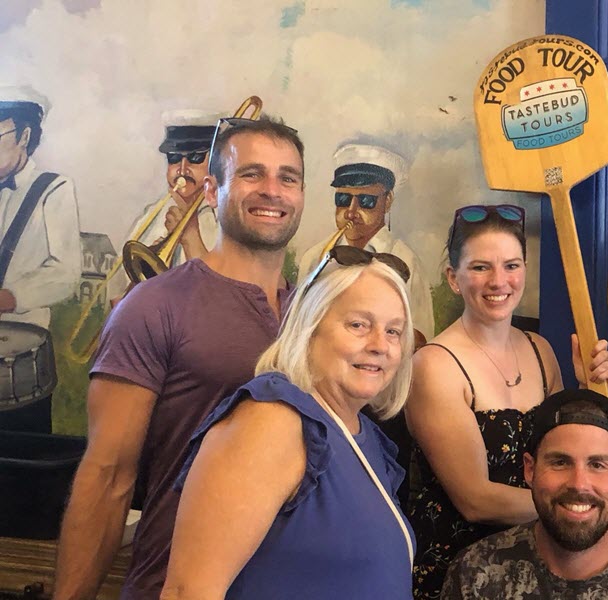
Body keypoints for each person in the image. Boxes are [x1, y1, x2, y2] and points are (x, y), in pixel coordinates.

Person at [54, 117, 306, 600]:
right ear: (212, 191)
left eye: (287, 177)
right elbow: (107, 477)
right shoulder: (153, 305)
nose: (272, 191)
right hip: (175, 584)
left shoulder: (310, 316)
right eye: (251, 174)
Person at [405, 204, 608, 598]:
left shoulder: (540, 349)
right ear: (453, 278)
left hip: (541, 563)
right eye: (480, 267)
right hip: (466, 574)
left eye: (511, 265)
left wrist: (587, 388)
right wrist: (594, 505)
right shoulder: (434, 366)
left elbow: (560, 454)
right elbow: (476, 500)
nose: (499, 281)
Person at [160, 252, 416, 599]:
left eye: (393, 331)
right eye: (358, 325)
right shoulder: (271, 419)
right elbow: (188, 590)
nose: (379, 346)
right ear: (310, 328)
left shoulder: (363, 436)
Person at [442, 388, 608, 600]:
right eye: (560, 462)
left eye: (597, 465)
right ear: (530, 469)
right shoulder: (477, 574)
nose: (579, 484)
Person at [0, 85, 81, 432]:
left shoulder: (54, 188)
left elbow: (66, 273)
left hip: (22, 354)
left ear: (25, 135)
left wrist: (12, 296)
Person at [297, 142, 434, 342]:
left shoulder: (407, 261)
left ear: (387, 201)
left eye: (366, 201)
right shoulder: (315, 258)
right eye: (343, 199)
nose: (351, 212)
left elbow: (422, 338)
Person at [112, 111, 219, 297]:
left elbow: (217, 294)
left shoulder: (223, 217)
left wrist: (190, 236)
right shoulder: (153, 214)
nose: (182, 169)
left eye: (195, 157)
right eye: (174, 158)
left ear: (215, 162)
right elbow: (117, 288)